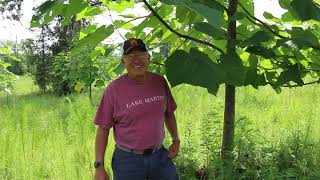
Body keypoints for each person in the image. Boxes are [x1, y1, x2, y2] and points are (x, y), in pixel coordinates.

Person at [93, 38, 180, 180]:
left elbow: (169, 113)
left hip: (159, 156)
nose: (137, 60)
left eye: (141, 55)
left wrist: (176, 139)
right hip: (128, 161)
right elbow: (103, 129)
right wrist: (99, 166)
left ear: (148, 58)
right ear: (123, 62)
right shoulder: (113, 90)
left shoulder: (159, 82)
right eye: (131, 56)